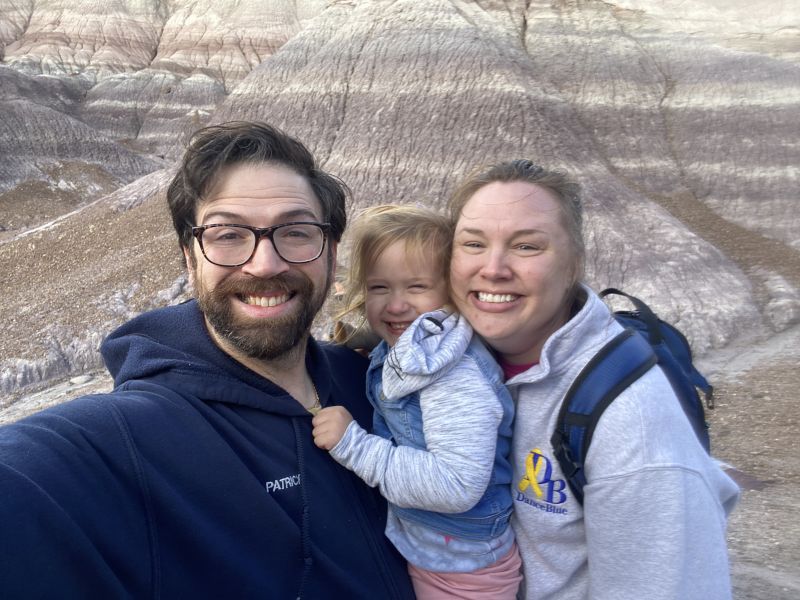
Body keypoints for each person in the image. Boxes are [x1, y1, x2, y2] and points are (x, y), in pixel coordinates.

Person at [0, 122, 415, 598]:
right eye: (228, 235)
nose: (265, 263)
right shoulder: (132, 439)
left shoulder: (376, 379)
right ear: (190, 258)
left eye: (297, 232)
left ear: (331, 251)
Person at [447, 159, 741, 599]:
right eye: (473, 243)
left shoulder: (632, 424)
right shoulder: (458, 363)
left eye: (527, 247)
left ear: (573, 264)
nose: (493, 268)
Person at [311, 205, 522, 599]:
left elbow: (456, 485)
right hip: (434, 551)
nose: (395, 305)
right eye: (379, 288)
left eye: (417, 287)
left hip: (465, 571)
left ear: (454, 291)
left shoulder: (452, 375)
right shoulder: (410, 351)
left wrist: (351, 445)